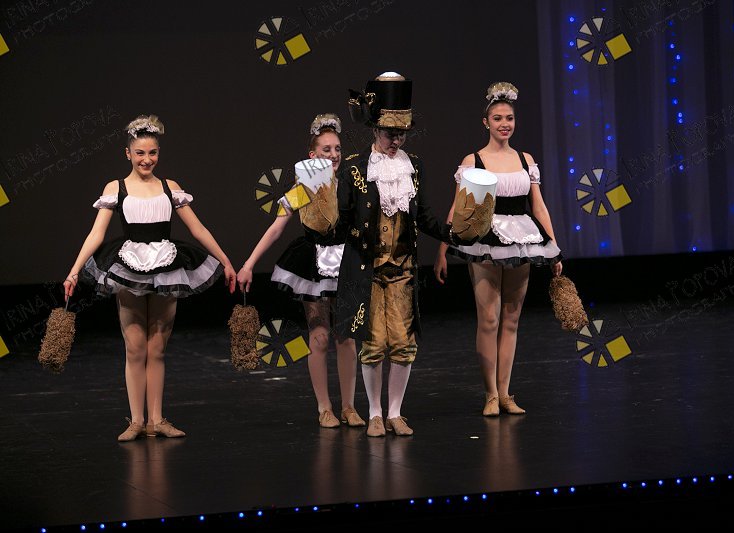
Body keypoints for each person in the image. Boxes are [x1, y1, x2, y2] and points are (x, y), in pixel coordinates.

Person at [64, 114, 236, 441]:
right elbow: (96, 234)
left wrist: (226, 261)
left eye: (152, 152)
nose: (146, 159)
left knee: (157, 348)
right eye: (140, 153)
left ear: (159, 153)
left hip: (167, 265)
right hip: (129, 266)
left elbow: (197, 229)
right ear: (127, 153)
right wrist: (74, 271)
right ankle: (136, 421)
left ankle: (157, 420)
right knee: (135, 347)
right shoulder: (116, 188)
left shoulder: (170, 188)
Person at [305, 72, 451, 437]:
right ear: (375, 130)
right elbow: (339, 225)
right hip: (365, 270)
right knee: (372, 344)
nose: (395, 140)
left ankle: (395, 413)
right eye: (389, 133)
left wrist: (457, 233)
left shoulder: (413, 166)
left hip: (402, 269)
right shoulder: (355, 167)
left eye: (401, 134)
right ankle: (373, 413)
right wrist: (317, 219)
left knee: (403, 343)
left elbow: (425, 217)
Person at [434, 82, 563, 417]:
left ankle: (505, 393)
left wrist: (553, 247)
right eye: (497, 118)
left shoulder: (525, 160)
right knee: (489, 318)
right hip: (486, 238)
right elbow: (459, 208)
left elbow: (539, 206)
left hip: (522, 237)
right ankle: (490, 394)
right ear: (486, 122)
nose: (504, 123)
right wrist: (443, 250)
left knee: (511, 317)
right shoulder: (474, 160)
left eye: (509, 118)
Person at [236, 114, 364, 429]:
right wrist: (249, 264)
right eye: (326, 149)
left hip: (345, 263)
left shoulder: (350, 184)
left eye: (337, 149)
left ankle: (349, 407)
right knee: (319, 337)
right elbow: (276, 228)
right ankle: (324, 408)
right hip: (313, 266)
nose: (333, 155)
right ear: (312, 155)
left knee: (347, 338)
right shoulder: (303, 188)